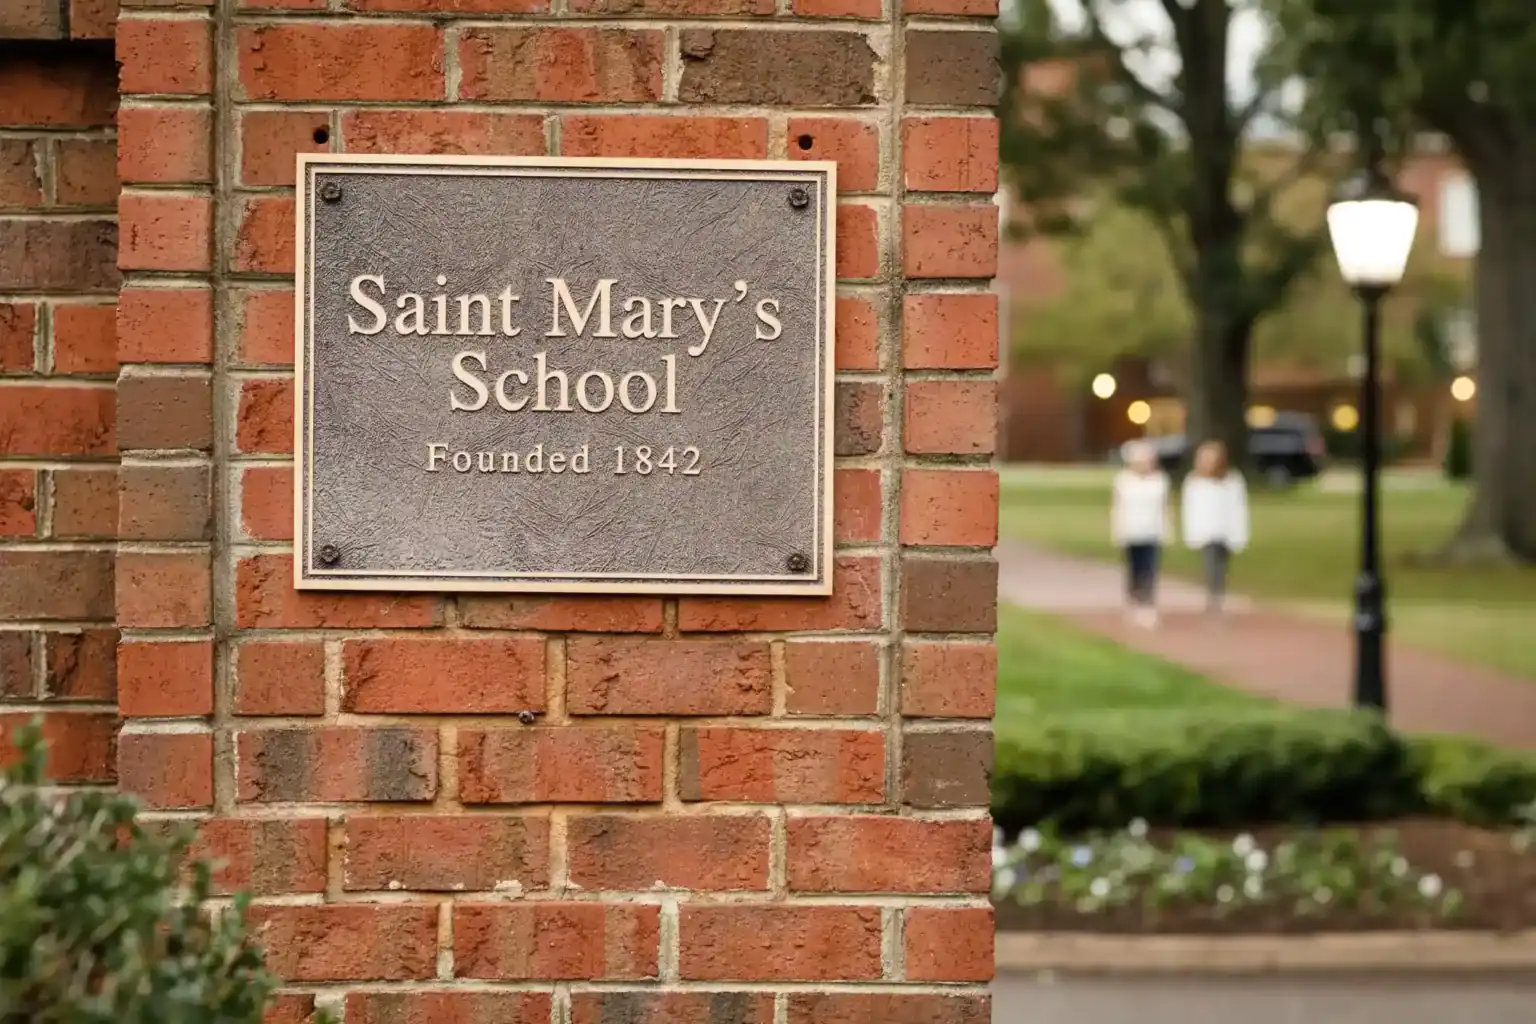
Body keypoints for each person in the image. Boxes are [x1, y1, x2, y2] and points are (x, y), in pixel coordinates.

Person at [1180, 440, 1250, 616]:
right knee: (1211, 565)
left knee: (1222, 567)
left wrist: (1239, 533)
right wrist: (1192, 532)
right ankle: (1214, 600)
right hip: (1206, 532)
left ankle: (1218, 597)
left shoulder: (1232, 480)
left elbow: (1238, 507)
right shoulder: (1194, 481)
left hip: (1225, 531)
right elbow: (1189, 509)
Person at [1111, 440, 1171, 628]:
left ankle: (1148, 605)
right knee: (1134, 568)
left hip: (1152, 532)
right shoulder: (1123, 481)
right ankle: (1133, 602)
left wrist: (1166, 530)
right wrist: (1118, 530)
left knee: (1150, 568)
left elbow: (1164, 508)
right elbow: (1118, 507)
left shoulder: (1159, 481)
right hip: (1131, 531)